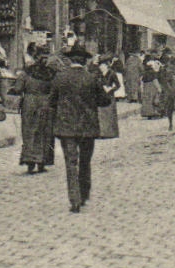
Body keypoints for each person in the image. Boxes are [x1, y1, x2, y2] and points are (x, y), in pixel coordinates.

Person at [49, 45, 110, 213]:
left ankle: (74, 199)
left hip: (66, 127)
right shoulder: (91, 79)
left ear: (70, 60)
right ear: (84, 61)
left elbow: (51, 101)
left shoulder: (60, 78)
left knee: (70, 162)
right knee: (85, 161)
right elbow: (105, 101)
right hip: (87, 127)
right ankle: (84, 194)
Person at [13, 43, 57, 174]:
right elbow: (55, 90)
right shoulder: (51, 73)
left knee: (29, 131)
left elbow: (18, 88)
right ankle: (42, 162)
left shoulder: (26, 72)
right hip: (45, 103)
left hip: (30, 103)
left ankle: (30, 161)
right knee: (45, 132)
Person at [94, 56, 122, 140]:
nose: (101, 67)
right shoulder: (98, 74)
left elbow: (118, 85)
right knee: (100, 115)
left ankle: (110, 133)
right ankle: (101, 132)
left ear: (107, 66)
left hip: (109, 95)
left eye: (103, 66)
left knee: (109, 114)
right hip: (100, 96)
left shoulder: (112, 73)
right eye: (100, 66)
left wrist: (111, 89)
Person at [139, 52, 162, 118]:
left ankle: (146, 113)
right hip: (152, 87)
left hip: (146, 86)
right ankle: (153, 113)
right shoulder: (152, 72)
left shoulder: (145, 72)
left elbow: (142, 80)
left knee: (147, 100)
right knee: (153, 99)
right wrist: (159, 88)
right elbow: (155, 80)